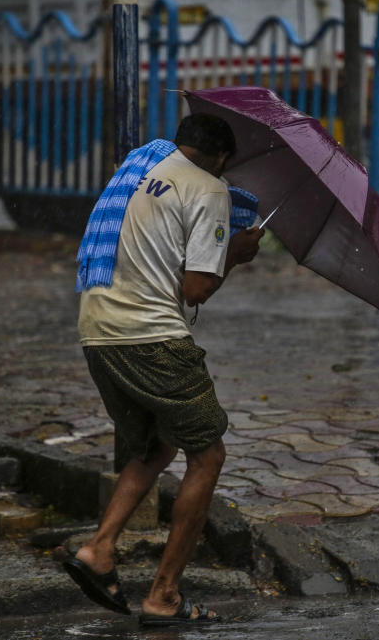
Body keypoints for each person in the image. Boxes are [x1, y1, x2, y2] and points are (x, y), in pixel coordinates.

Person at [63, 113, 264, 625]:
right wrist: (233, 255)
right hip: (150, 338)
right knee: (209, 454)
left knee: (159, 443)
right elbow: (194, 289)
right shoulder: (210, 189)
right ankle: (164, 596)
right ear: (220, 158)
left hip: (97, 329)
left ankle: (99, 550)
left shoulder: (138, 165)